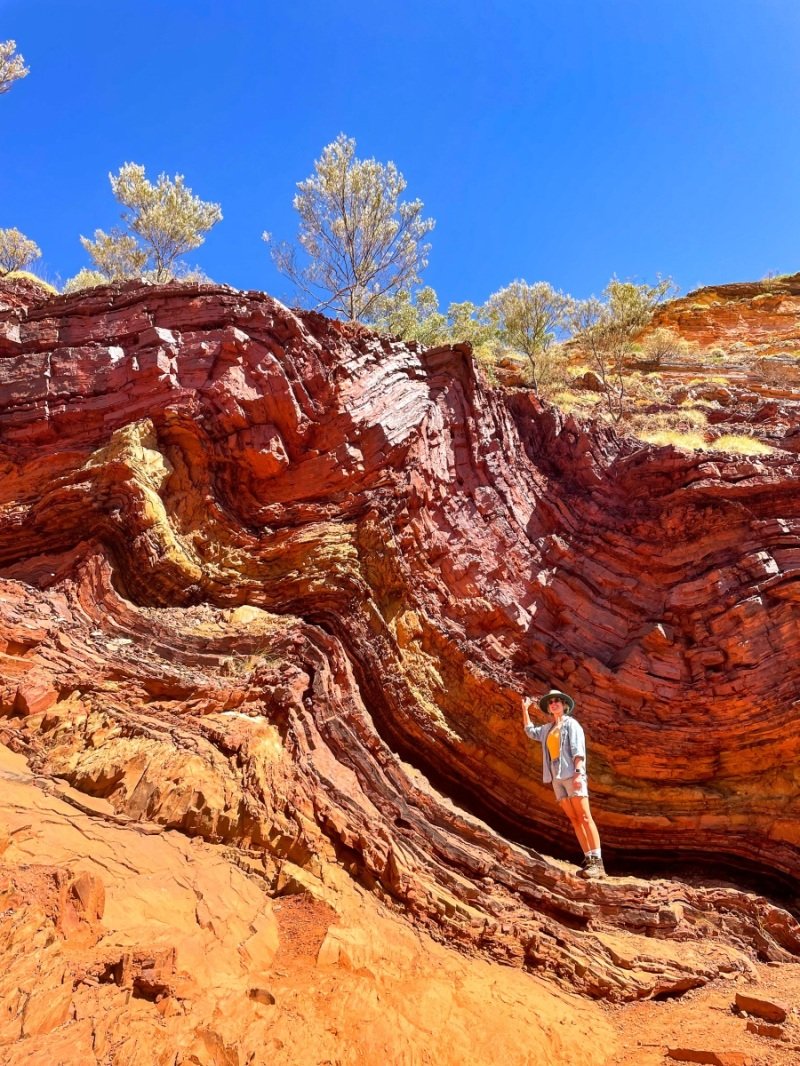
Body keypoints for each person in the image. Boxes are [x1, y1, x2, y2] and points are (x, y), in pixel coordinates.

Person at [522, 688, 605, 879]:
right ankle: (589, 860)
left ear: (564, 705)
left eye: (558, 700)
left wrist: (578, 773)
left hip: (571, 773)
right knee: (574, 819)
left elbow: (578, 750)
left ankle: (598, 863)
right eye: (551, 701)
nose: (554, 703)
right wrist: (525, 709)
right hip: (556, 778)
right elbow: (529, 732)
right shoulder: (547, 729)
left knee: (584, 816)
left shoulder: (571, 724)